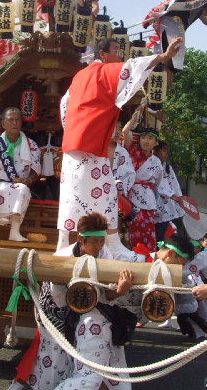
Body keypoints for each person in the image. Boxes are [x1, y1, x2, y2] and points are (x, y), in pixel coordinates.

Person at [57, 36, 182, 260]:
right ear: (102, 54)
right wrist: (163, 57)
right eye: (115, 49)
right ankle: (112, 244)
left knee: (72, 195)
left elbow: (64, 105)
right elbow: (132, 67)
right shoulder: (103, 72)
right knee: (106, 193)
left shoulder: (79, 76)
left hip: (74, 145)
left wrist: (73, 130)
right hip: (91, 145)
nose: (120, 55)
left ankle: (64, 242)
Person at [0, 212, 113, 390]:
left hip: (79, 311)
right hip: (53, 309)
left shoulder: (105, 254)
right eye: (94, 241)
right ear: (81, 239)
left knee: (66, 360)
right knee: (52, 358)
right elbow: (57, 290)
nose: (98, 246)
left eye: (101, 240)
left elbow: (107, 289)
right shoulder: (64, 257)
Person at [122, 119, 181, 252]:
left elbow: (161, 184)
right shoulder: (133, 152)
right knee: (130, 230)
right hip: (130, 196)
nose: (145, 141)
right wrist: (134, 117)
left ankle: (147, 256)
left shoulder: (156, 162)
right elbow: (125, 132)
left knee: (148, 232)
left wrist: (172, 195)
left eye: (150, 138)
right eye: (143, 137)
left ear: (155, 143)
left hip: (148, 200)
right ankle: (132, 253)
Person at [0, 107, 41, 241]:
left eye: (17, 120)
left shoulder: (31, 144)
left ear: (21, 123)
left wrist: (29, 180)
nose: (14, 123)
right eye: (10, 120)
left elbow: (36, 169)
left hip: (18, 184)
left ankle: (14, 232)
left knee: (23, 190)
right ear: (3, 123)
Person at [153, 140, 184, 242]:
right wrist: (170, 194)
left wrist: (179, 198)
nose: (166, 154)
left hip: (165, 206)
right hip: (150, 202)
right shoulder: (151, 163)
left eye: (167, 151)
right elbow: (158, 183)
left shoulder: (168, 167)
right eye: (164, 150)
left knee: (160, 236)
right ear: (156, 151)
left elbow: (174, 185)